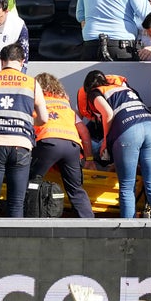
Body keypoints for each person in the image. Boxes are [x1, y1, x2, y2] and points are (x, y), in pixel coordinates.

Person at [0, 44, 48, 218]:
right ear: (22, 62)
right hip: (21, 146)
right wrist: (26, 121)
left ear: (1, 62)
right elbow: (44, 118)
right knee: (16, 203)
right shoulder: (32, 83)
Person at [82, 70, 151, 218]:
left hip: (129, 130)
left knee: (127, 186)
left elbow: (107, 113)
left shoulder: (95, 92)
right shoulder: (126, 88)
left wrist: (106, 142)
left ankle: (129, 231)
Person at [30, 73, 95, 218]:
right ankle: (89, 223)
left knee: (31, 181)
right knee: (76, 189)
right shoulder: (65, 104)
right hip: (72, 146)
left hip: (48, 142)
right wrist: (89, 159)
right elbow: (84, 132)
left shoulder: (35, 101)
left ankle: (29, 217)